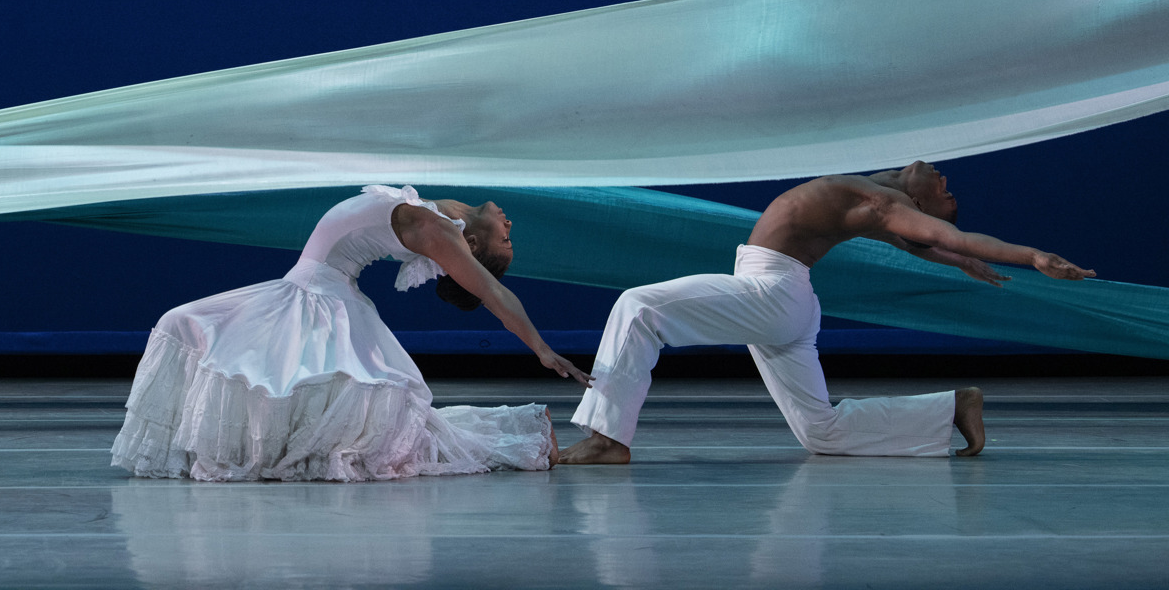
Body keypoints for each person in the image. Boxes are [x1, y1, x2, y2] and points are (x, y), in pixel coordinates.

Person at [557, 160, 1095, 464]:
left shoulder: (885, 204)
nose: (944, 179)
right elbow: (925, 242)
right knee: (822, 433)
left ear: (921, 206)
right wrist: (958, 263)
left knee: (638, 305)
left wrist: (1033, 257)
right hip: (787, 305)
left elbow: (942, 234)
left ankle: (608, 437)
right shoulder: (879, 194)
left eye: (945, 192)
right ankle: (950, 408)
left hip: (771, 293)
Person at [111, 184, 591, 482]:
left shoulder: (434, 229)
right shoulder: (439, 213)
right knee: (195, 330)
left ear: (469, 243)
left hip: (319, 295)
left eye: (504, 238)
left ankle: (518, 440)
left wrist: (543, 350)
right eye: (509, 235)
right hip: (306, 287)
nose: (509, 224)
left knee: (256, 364)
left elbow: (493, 293)